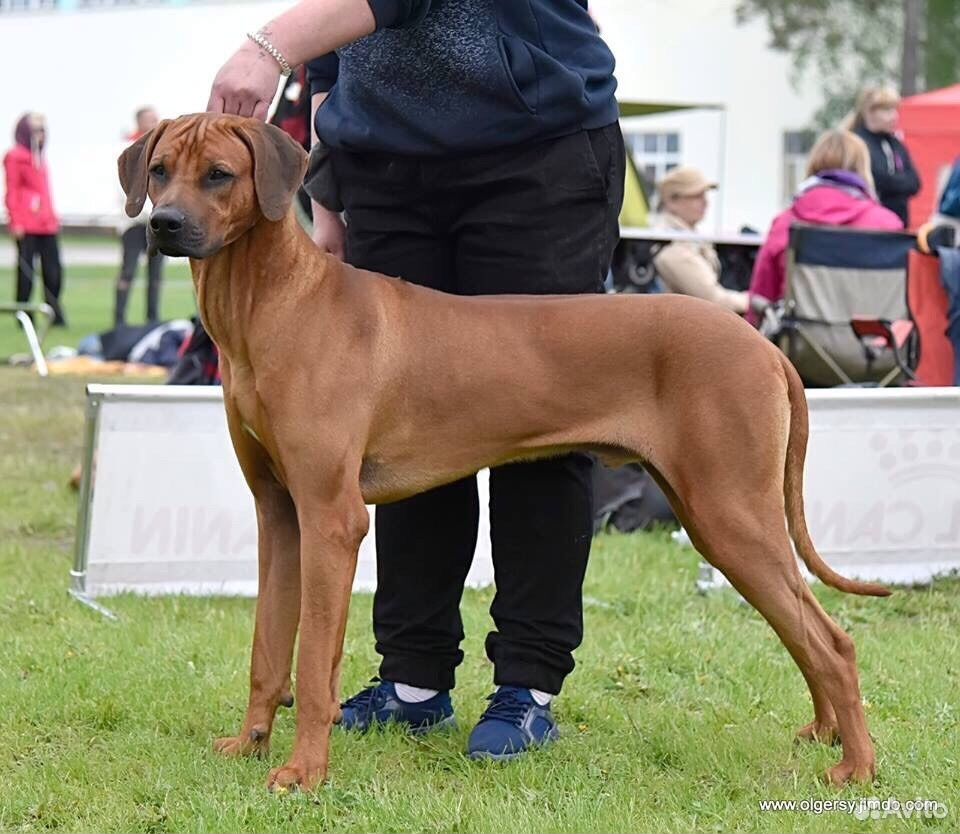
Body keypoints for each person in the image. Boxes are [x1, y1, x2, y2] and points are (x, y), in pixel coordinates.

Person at [208, 0, 624, 760]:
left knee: (544, 415)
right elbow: (336, 57)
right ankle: (414, 679)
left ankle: (526, 686)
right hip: (392, 166)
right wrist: (329, 187)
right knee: (395, 423)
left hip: (536, 152)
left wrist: (265, 47)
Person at [746, 129, 903, 326]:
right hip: (872, 347)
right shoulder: (887, 224)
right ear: (862, 169)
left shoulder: (785, 223)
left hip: (799, 347)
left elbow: (761, 297)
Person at [651, 166, 748, 313]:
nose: (706, 202)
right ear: (672, 201)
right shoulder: (670, 244)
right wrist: (753, 299)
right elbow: (715, 300)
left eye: (704, 195)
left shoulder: (685, 237)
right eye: (696, 196)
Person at [3, 112, 66, 325]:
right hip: (27, 224)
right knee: (26, 273)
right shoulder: (16, 156)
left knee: (54, 272)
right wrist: (16, 221)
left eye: (43, 130)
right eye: (36, 130)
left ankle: (54, 310)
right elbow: (12, 189)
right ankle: (23, 315)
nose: (40, 134)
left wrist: (53, 217)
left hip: (47, 225)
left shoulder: (41, 158)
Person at [114, 107, 164, 326]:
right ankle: (119, 318)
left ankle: (152, 318)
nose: (156, 122)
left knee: (155, 275)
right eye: (151, 119)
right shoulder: (128, 149)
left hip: (155, 223)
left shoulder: (161, 149)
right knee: (128, 271)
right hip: (134, 223)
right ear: (141, 122)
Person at [847, 85, 920, 226]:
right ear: (869, 112)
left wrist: (891, 181)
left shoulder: (895, 144)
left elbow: (915, 183)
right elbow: (873, 179)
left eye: (895, 110)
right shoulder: (856, 143)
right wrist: (898, 182)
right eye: (887, 110)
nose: (894, 116)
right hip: (868, 225)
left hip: (898, 223)